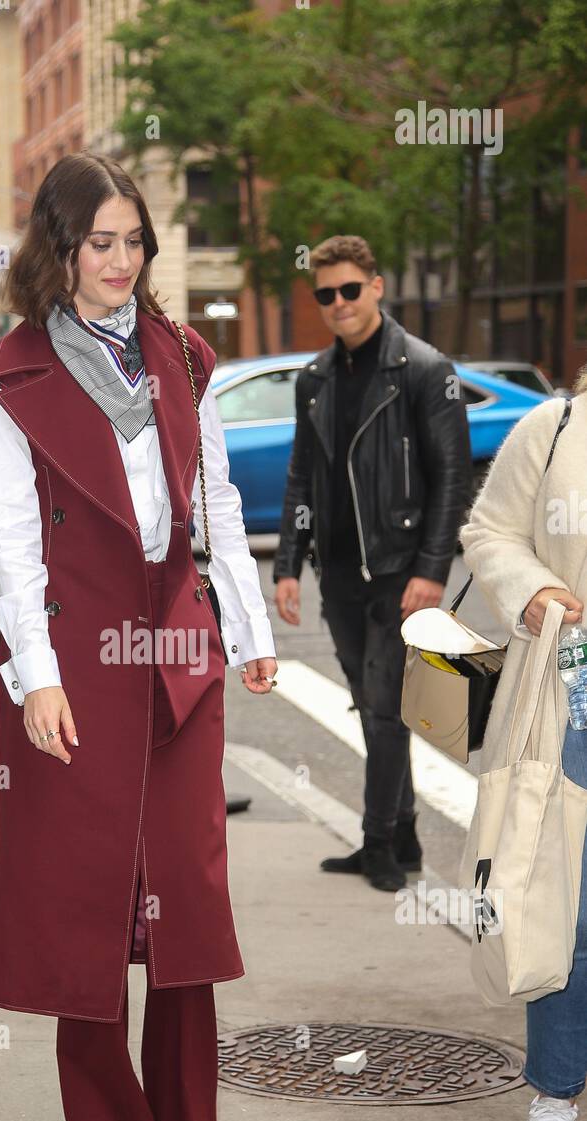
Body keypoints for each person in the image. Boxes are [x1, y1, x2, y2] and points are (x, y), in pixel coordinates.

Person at [0, 151, 278, 1121]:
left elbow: (220, 499)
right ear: (57, 249)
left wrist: (243, 626)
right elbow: (13, 541)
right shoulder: (9, 372)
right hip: (71, 672)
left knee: (186, 919)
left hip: (176, 665)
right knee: (84, 923)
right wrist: (37, 678)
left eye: (132, 240)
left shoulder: (183, 355)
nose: (118, 260)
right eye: (96, 241)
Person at [273, 234, 471, 891]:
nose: (338, 304)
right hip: (339, 575)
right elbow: (302, 476)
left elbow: (451, 480)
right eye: (325, 294)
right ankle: (406, 834)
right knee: (372, 706)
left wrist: (433, 568)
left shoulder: (422, 368)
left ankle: (379, 843)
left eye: (349, 290)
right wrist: (287, 564)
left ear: (376, 287)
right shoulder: (314, 380)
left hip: (398, 571)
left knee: (387, 711)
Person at [460, 372, 587, 1121]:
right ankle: (556, 1098)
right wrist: (530, 588)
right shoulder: (555, 427)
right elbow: (490, 530)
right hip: (572, 705)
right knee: (565, 915)